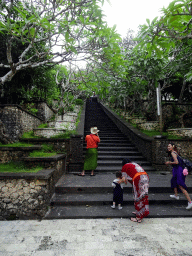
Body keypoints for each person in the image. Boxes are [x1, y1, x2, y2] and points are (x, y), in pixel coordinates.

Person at [119, 158, 149, 223]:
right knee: (143, 196)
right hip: (146, 177)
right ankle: (141, 212)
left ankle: (138, 217)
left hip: (138, 179)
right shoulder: (134, 164)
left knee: (138, 197)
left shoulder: (124, 166)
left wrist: (119, 181)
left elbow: (124, 179)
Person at [165, 143, 192, 210]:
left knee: (180, 185)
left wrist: (169, 162)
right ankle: (176, 195)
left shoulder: (173, 153)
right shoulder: (175, 152)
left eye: (169, 146)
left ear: (173, 147)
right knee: (173, 180)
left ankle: (190, 202)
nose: (168, 147)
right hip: (178, 170)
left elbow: (176, 162)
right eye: (167, 146)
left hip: (179, 170)